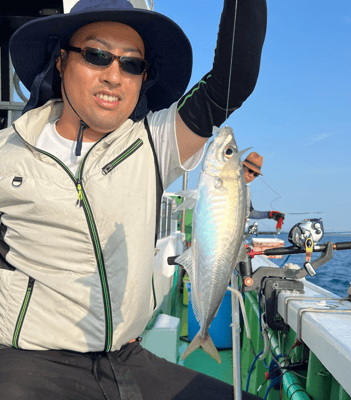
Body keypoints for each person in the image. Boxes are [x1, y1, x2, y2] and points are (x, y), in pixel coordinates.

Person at [0, 0, 266, 399]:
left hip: (126, 359)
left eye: (132, 64)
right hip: (27, 361)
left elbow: (232, 83)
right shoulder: (7, 151)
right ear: (61, 60)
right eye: (96, 55)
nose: (114, 76)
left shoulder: (154, 142)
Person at [243, 152, 285, 226]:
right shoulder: (227, 182)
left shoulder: (246, 191)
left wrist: (270, 214)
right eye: (250, 170)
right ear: (242, 166)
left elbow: (249, 213)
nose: (251, 176)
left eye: (255, 174)